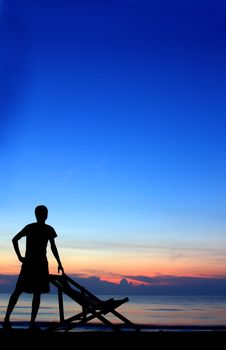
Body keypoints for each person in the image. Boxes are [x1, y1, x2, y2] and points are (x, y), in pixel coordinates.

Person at [3, 205, 64, 331]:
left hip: (35, 264)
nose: (44, 216)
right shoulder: (43, 228)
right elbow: (14, 239)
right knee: (26, 292)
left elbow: (53, 247)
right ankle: (15, 321)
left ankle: (12, 321)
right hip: (35, 264)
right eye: (43, 213)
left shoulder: (39, 228)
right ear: (41, 215)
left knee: (25, 292)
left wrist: (59, 262)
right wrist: (20, 257)